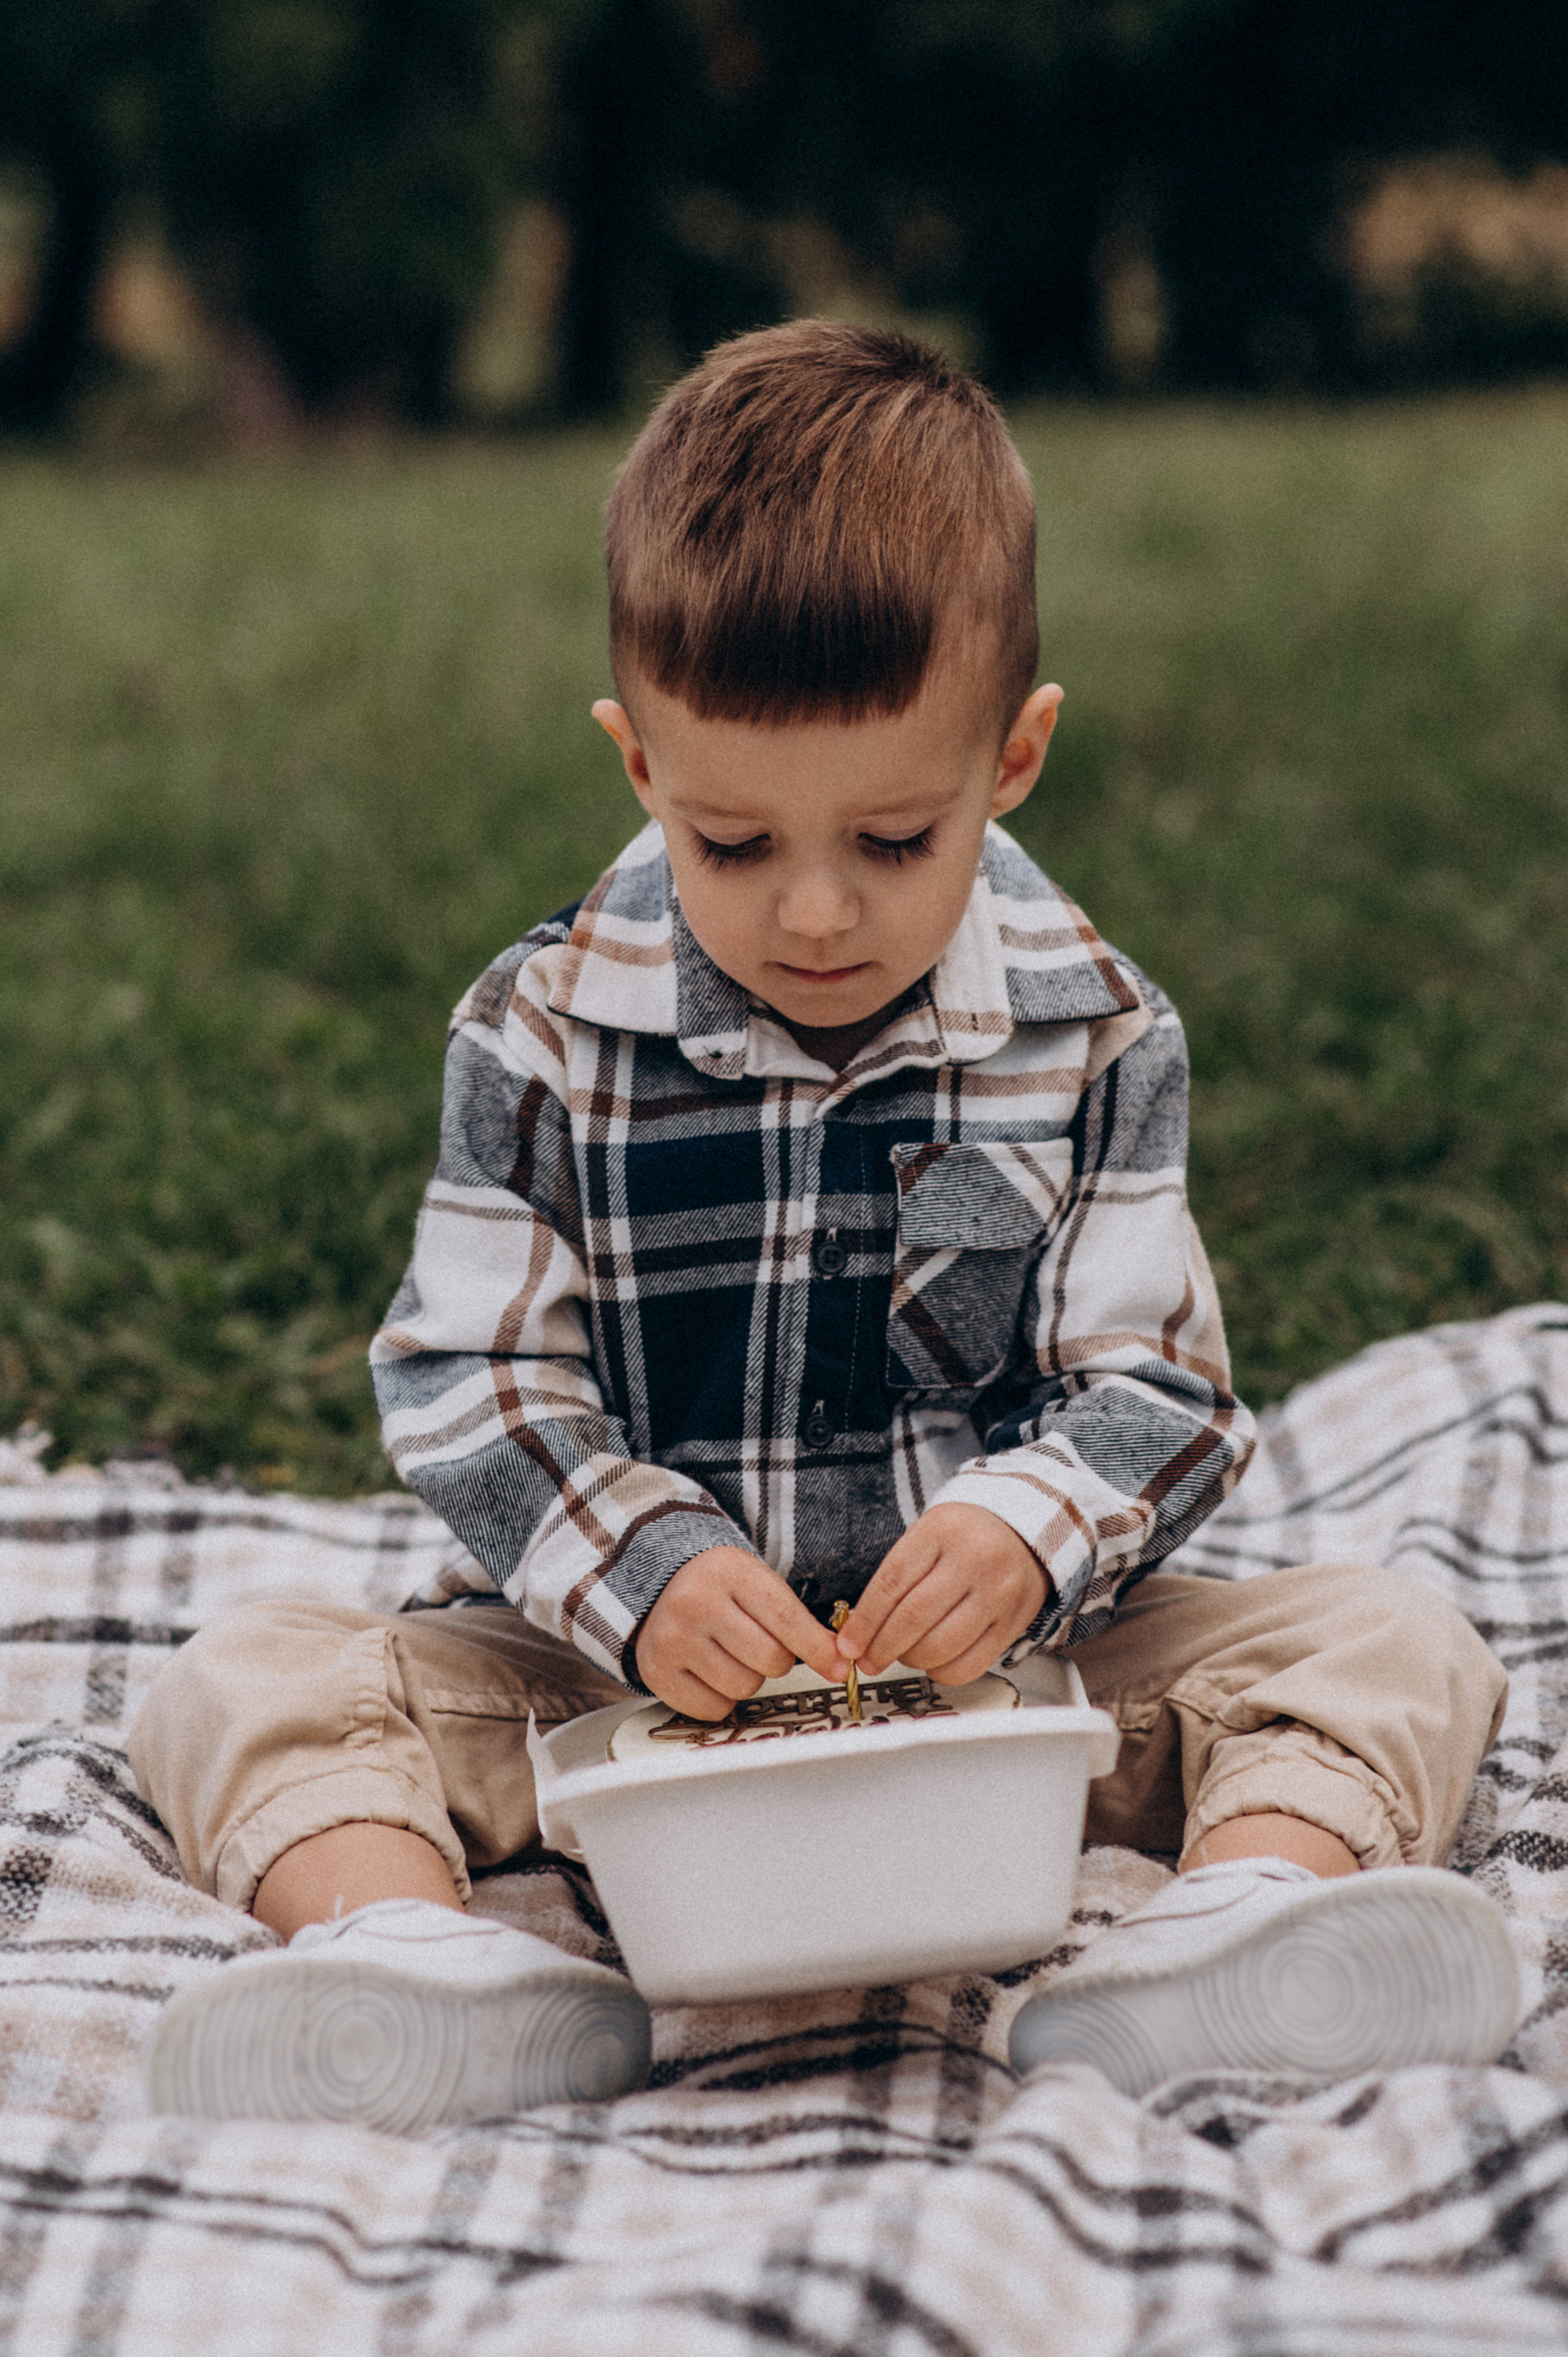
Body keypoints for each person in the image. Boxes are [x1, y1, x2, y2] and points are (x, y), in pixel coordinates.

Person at [133, 322, 1518, 2132]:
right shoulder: (538, 1031)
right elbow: (470, 1378)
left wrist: (1025, 1537)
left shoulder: (1096, 1029)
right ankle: (412, 1962)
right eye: (730, 841)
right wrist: (641, 1573)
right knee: (240, 1677)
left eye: (889, 836)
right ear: (641, 768)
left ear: (1012, 759)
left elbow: (1153, 1387)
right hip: (624, 1705)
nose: (808, 912)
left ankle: (1243, 1922)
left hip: (1009, 1697)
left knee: (1399, 1641)